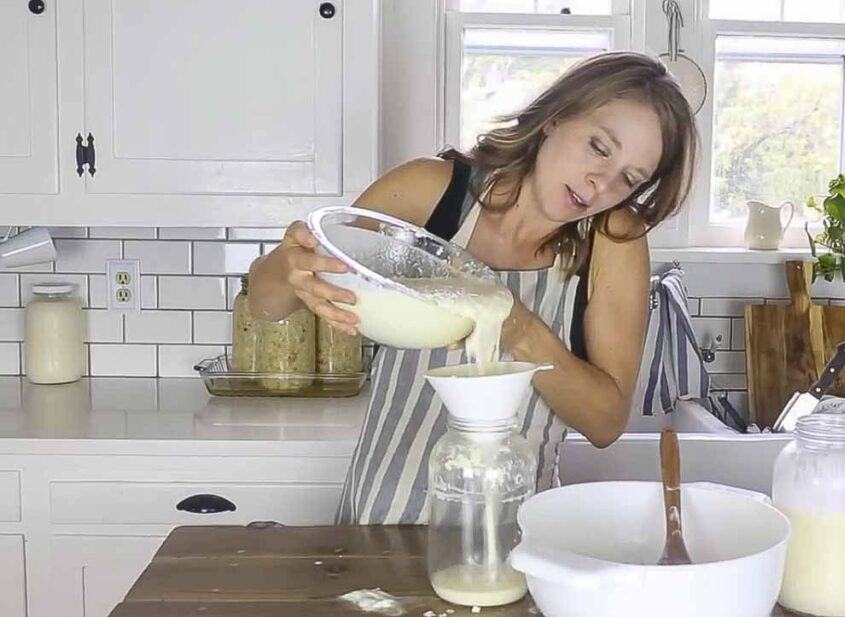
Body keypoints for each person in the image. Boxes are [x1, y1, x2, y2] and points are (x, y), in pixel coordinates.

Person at [247, 51, 698, 524]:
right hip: (379, 519)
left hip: (518, 535)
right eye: (599, 147)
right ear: (555, 119)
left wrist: (517, 326)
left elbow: (605, 422)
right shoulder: (430, 193)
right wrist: (288, 267)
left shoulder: (612, 241)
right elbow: (266, 304)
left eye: (629, 178)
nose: (601, 182)